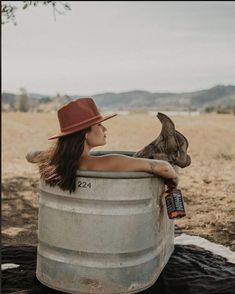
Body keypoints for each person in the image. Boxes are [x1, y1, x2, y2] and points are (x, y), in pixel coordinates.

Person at [28, 97, 179, 193]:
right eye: (99, 125)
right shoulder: (107, 162)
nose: (105, 129)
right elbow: (164, 167)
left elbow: (31, 155)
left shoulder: (56, 162)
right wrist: (174, 180)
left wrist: (53, 154)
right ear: (85, 133)